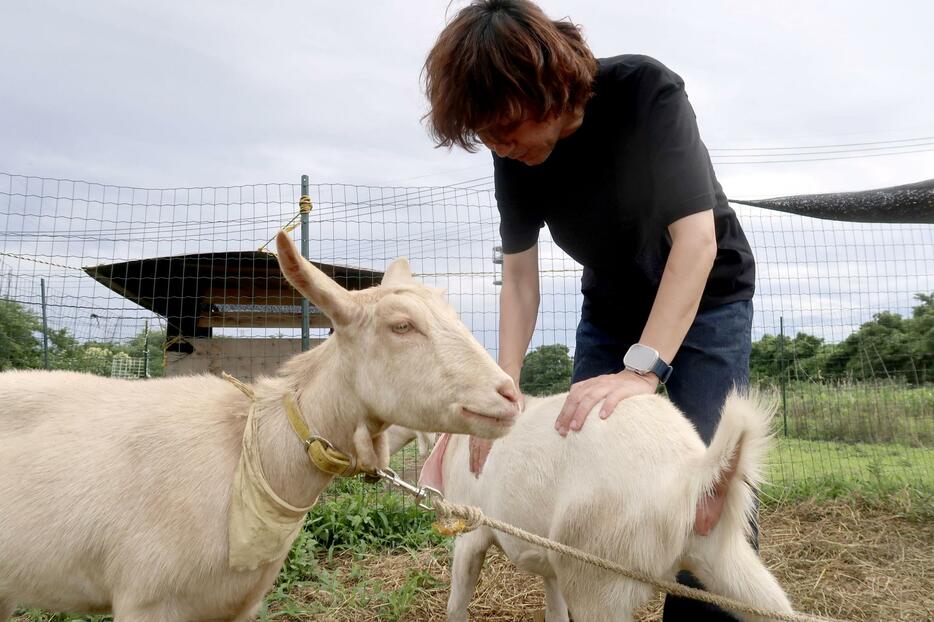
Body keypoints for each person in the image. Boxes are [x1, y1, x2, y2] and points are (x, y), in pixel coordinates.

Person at [423, 1, 756, 619]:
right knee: (582, 469)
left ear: (544, 87)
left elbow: (697, 241)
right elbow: (521, 279)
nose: (498, 145)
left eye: (503, 127)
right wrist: (503, 385)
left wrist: (642, 370)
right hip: (610, 308)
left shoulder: (645, 93)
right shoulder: (512, 156)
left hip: (706, 298)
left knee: (702, 492)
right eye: (485, 136)